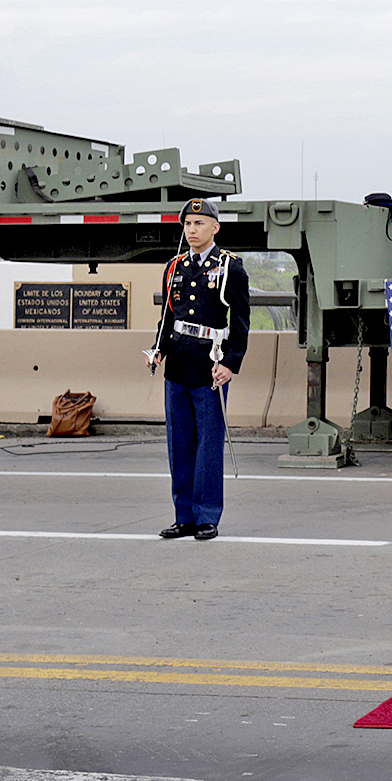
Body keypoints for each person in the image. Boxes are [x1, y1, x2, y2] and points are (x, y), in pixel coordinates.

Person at [150, 198, 250, 541]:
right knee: (179, 443)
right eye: (188, 225)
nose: (192, 230)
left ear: (215, 228)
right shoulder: (174, 267)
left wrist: (230, 364)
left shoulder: (230, 268)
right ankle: (184, 516)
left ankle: (207, 516)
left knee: (208, 445)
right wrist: (158, 350)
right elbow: (167, 316)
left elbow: (240, 323)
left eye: (199, 224)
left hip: (210, 366)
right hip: (177, 364)